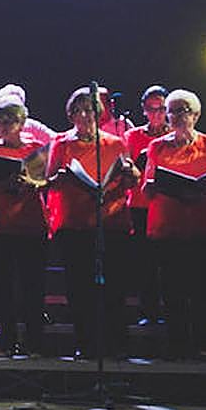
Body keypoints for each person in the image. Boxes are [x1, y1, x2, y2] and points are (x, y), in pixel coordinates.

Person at [45, 87, 137, 358]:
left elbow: (130, 180)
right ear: (71, 114)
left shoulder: (116, 143)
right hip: (74, 223)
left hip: (111, 222)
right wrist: (61, 178)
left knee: (114, 287)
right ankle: (85, 344)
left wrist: (130, 173)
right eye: (79, 110)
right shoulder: (62, 143)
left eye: (90, 110)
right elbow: (50, 182)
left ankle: (116, 345)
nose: (85, 115)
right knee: (79, 288)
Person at [141, 89, 206, 359]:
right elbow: (146, 188)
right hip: (170, 227)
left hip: (205, 226)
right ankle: (177, 343)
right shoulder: (157, 146)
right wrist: (162, 186)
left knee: (204, 288)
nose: (179, 116)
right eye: (174, 111)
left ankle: (203, 341)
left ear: (196, 115)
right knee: (173, 289)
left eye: (185, 111)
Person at [0, 98, 51, 355]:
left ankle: (35, 344)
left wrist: (32, 183)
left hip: (30, 223)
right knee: (0, 287)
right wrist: (3, 185)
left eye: (10, 121)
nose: (4, 127)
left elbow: (45, 183)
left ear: (21, 123)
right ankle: (5, 344)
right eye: (0, 122)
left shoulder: (37, 147)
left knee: (32, 287)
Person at [125, 85, 170, 326]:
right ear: (144, 110)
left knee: (169, 261)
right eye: (152, 109)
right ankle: (149, 311)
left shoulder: (175, 135)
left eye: (162, 109)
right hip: (140, 205)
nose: (157, 114)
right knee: (145, 261)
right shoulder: (133, 136)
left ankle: (171, 310)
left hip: (168, 204)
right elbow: (124, 168)